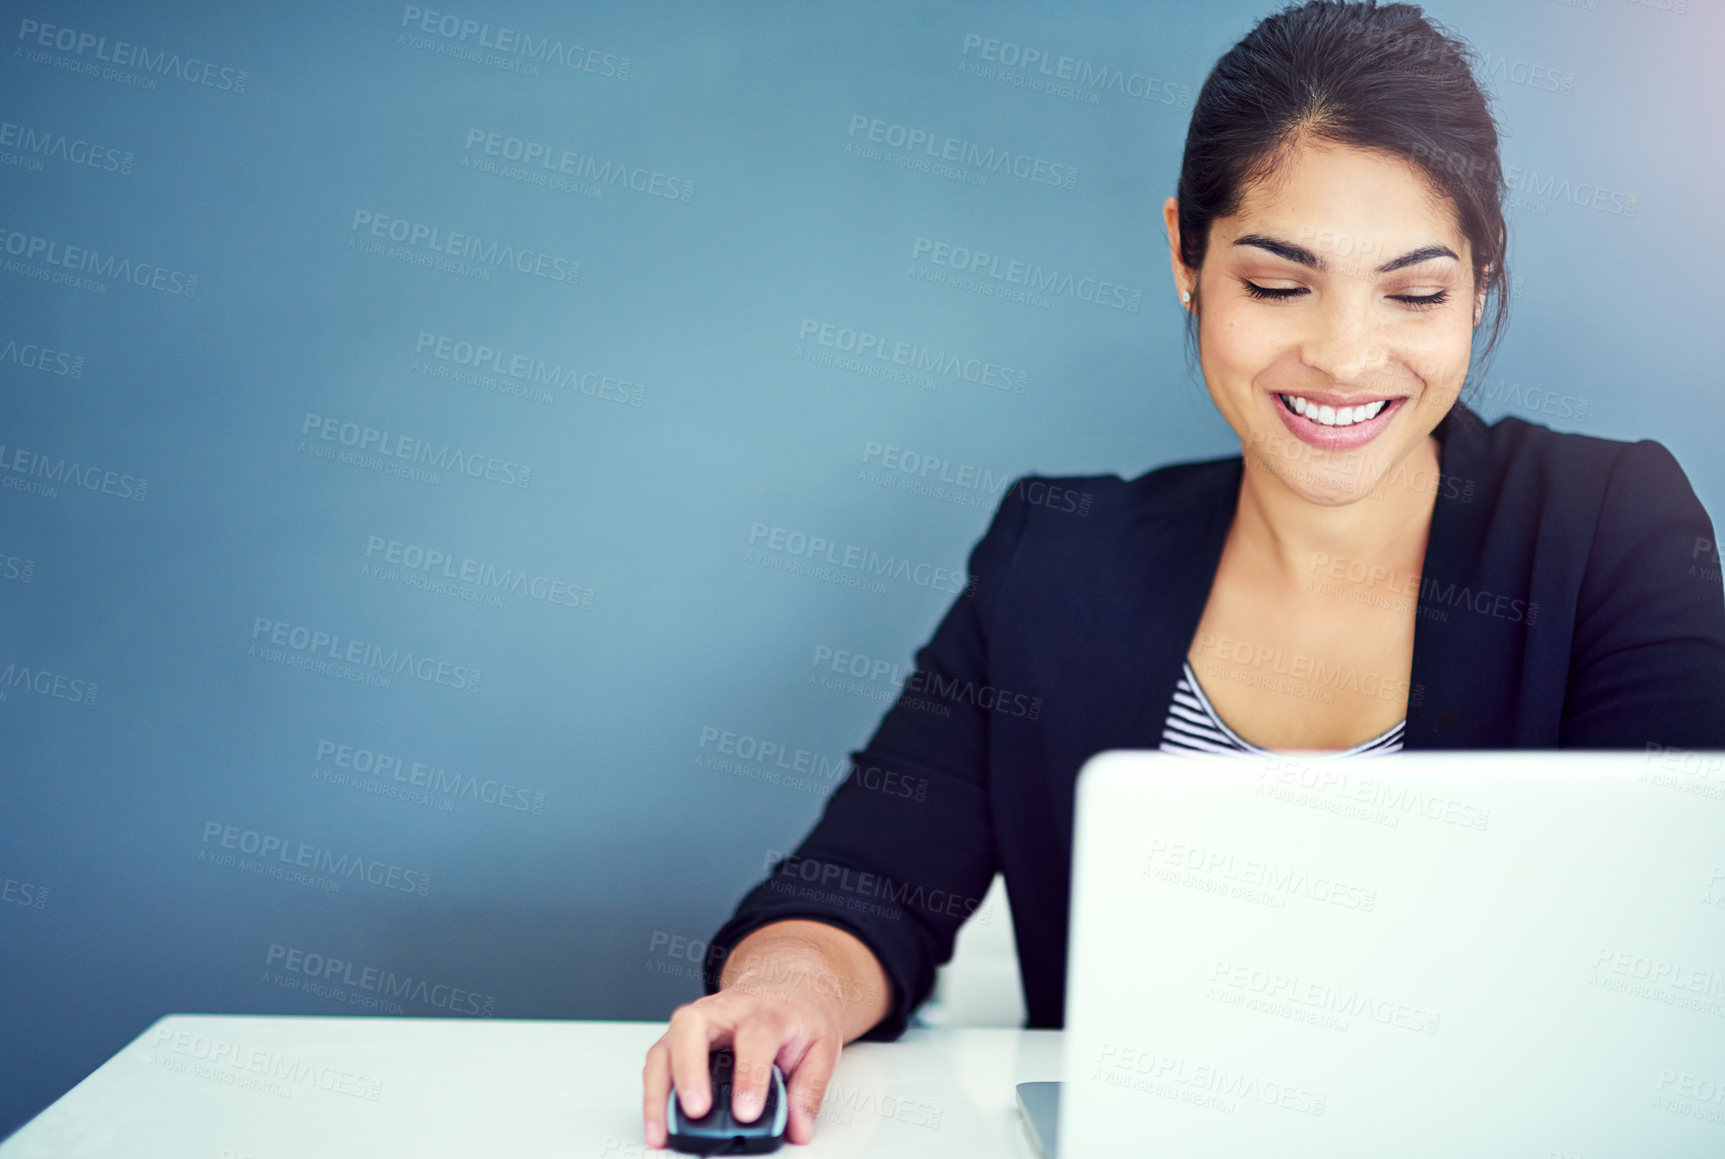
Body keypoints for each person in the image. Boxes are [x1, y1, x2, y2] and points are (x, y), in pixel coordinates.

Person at [641, 0, 1725, 1146]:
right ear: (1185, 257)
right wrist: (786, 994)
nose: (1348, 355)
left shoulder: (1610, 526)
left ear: (1481, 279)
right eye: (1276, 283)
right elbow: (860, 887)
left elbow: (1678, 927)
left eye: (1415, 292)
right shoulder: (1058, 556)